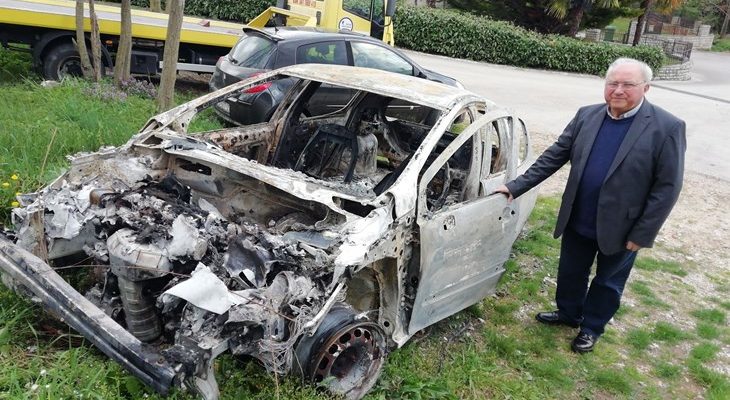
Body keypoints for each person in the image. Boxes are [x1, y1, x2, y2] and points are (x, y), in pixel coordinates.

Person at [495, 57, 686, 353]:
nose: (618, 90)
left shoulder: (667, 127)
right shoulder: (587, 115)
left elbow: (667, 187)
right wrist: (515, 186)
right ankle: (569, 313)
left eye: (627, 84)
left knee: (608, 282)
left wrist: (643, 233)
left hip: (623, 226)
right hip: (579, 215)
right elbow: (554, 155)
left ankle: (592, 327)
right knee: (570, 272)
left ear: (646, 88)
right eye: (612, 83)